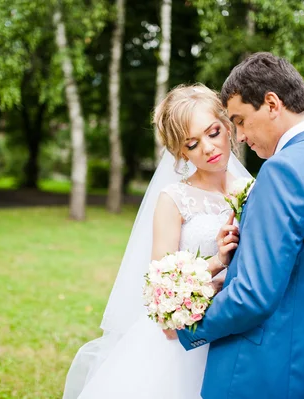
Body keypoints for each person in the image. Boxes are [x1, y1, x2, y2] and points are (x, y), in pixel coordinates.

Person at [168, 52, 304, 399]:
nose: (241, 136)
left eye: (241, 121)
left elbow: (252, 297)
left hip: (273, 372)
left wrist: (188, 326)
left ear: (272, 104)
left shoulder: (281, 172)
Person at [62, 83, 249, 399]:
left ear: (227, 125)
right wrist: (218, 261)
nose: (207, 148)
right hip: (181, 343)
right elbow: (162, 291)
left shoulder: (253, 189)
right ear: (180, 152)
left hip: (239, 331)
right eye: (192, 144)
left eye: (213, 132)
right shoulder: (174, 199)